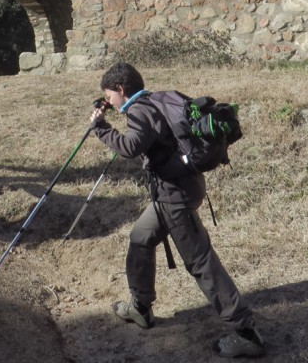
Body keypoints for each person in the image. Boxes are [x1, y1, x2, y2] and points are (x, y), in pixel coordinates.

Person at [89, 62, 266, 359]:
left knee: (201, 262)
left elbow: (131, 146)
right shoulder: (154, 100)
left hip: (175, 197)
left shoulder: (139, 110)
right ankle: (140, 307)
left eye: (110, 95)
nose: (110, 101)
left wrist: (101, 128)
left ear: (121, 89)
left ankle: (245, 332)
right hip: (178, 188)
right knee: (140, 238)